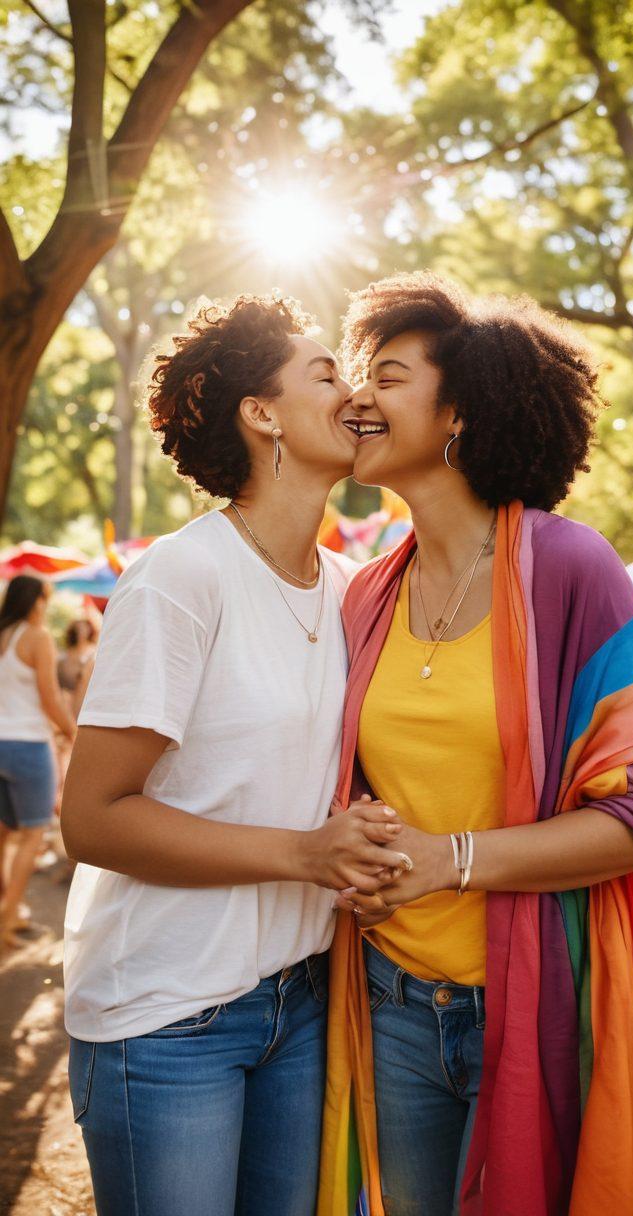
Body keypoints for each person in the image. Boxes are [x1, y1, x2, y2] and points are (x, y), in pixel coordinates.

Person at [317, 273, 633, 1216]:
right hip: (389, 997)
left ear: (459, 408)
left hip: (535, 1000)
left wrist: (447, 861)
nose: (357, 398)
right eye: (356, 376)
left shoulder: (569, 568)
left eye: (387, 377)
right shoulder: (365, 594)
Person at [60, 293, 406, 1216]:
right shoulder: (182, 577)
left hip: (301, 1003)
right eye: (327, 373)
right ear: (261, 415)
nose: (356, 391)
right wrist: (304, 853)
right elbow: (91, 818)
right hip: (167, 1016)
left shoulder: (353, 588)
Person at [0, 575, 77, 947]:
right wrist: (74, 731)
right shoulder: (38, 637)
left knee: (3, 834)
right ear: (36, 601)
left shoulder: (4, 634)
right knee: (33, 834)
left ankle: (7, 908)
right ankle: (7, 921)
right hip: (28, 744)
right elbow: (50, 698)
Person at [57, 618, 98, 720]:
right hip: (65, 696)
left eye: (84, 628)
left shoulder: (93, 653)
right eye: (79, 628)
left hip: (83, 698)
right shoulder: (65, 655)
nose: (82, 631)